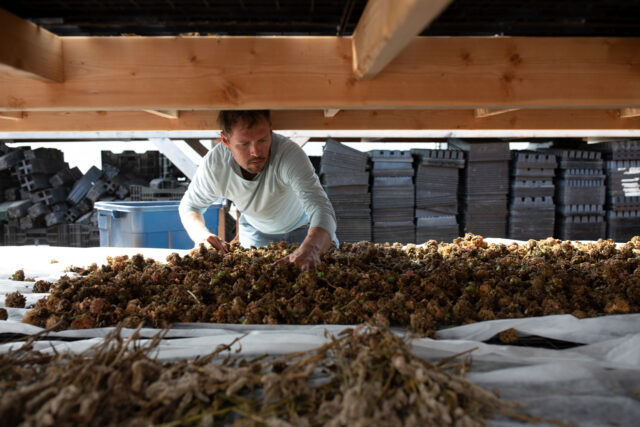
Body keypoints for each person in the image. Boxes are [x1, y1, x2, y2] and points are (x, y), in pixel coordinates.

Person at [179, 110, 337, 270]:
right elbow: (190, 206)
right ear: (225, 140)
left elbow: (322, 208)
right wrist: (202, 236)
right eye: (244, 144)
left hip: (306, 229)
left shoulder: (289, 155)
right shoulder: (215, 166)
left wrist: (313, 248)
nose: (255, 152)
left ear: (271, 131)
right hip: (257, 234)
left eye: (262, 140)